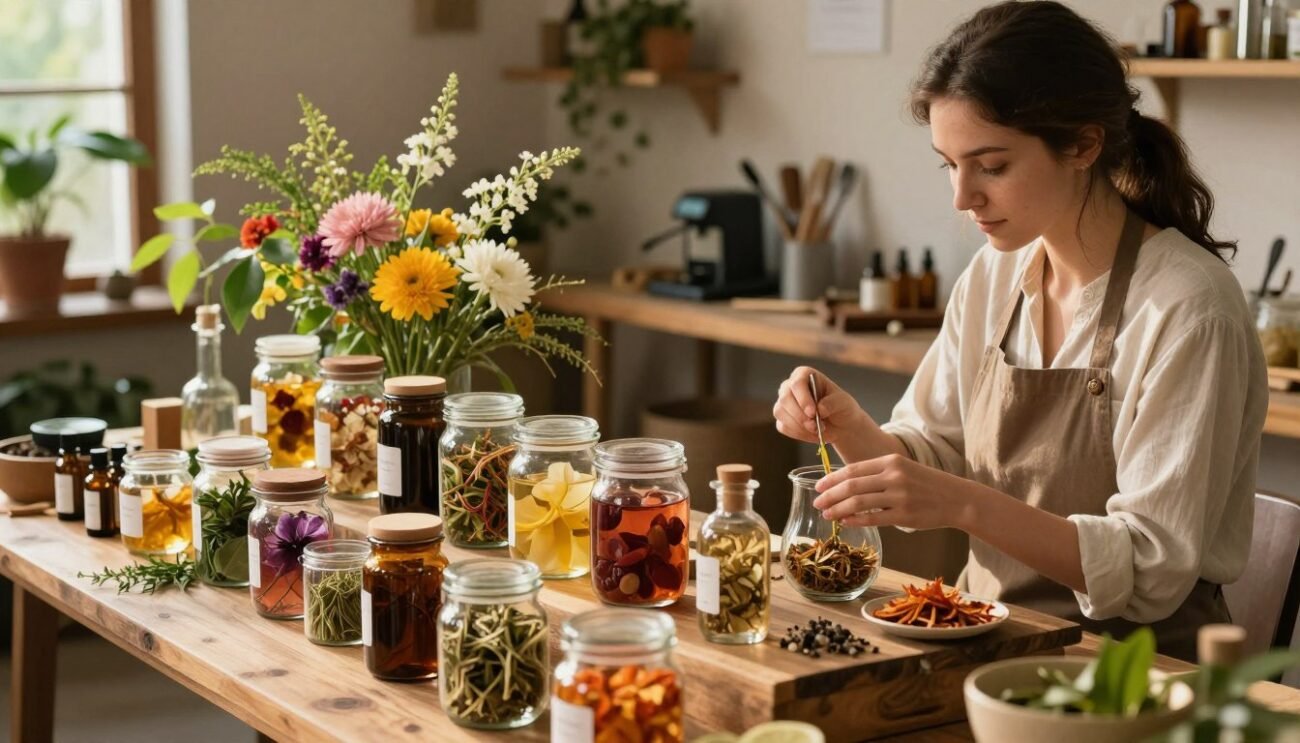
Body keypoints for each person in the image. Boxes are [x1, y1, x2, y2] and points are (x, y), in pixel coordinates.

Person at [772, 0, 1268, 661]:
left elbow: (1150, 565)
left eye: (992, 165)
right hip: (987, 643)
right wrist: (850, 427)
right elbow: (935, 455)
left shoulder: (1188, 307)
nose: (961, 196)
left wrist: (964, 504)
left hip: (1135, 675)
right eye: (947, 163)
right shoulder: (994, 276)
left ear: (1085, 145)